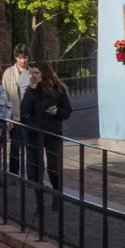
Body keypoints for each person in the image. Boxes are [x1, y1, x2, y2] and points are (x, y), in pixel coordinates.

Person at [19, 61, 72, 213]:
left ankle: (57, 196)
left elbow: (68, 110)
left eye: (36, 73)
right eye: (31, 73)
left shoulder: (58, 89)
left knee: (53, 168)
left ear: (44, 73)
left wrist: (57, 112)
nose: (33, 76)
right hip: (35, 133)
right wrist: (32, 90)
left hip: (53, 132)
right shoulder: (32, 90)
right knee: (37, 169)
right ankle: (39, 203)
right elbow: (24, 110)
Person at [0, 45, 32, 172]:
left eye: (26, 58)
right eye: (21, 58)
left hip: (30, 115)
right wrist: (7, 117)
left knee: (30, 147)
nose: (24, 61)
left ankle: (31, 174)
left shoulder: (32, 72)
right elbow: (5, 96)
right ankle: (14, 172)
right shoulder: (8, 73)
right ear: (16, 58)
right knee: (15, 146)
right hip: (15, 115)